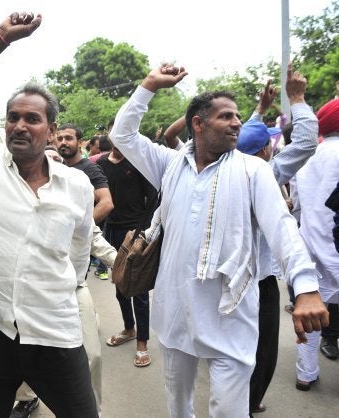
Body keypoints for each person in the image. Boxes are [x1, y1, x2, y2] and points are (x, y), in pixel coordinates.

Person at [109, 64, 328, 417]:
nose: (237, 122)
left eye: (239, 115)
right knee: (178, 406)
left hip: (230, 317)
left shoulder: (252, 170)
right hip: (176, 313)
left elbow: (282, 227)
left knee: (229, 411)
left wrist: (305, 287)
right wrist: (149, 85)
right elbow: (124, 135)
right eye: (226, 116)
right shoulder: (169, 164)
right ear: (199, 124)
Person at [0, 12, 98, 417]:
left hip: (55, 334)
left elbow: (80, 250)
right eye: (13, 117)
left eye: (32, 118)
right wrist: (0, 39)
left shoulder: (76, 185)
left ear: (51, 129)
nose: (20, 126)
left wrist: (63, 289)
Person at [235, 71, 319, 412]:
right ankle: (249, 405)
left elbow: (246, 138)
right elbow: (305, 143)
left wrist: (259, 109)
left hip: (225, 280)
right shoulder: (266, 172)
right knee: (263, 351)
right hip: (260, 281)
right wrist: (297, 100)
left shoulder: (220, 169)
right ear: (267, 149)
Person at [97, 141, 158, 367]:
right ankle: (129, 328)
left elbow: (153, 198)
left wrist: (144, 230)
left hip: (134, 232)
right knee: (120, 283)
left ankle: (142, 342)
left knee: (138, 288)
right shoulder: (102, 163)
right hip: (111, 230)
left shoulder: (138, 164)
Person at [293, 98, 339, 390]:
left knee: (310, 315)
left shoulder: (308, 155)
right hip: (336, 245)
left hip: (310, 247)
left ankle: (305, 375)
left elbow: (296, 204)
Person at [55, 123, 114, 280]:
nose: (63, 142)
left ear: (80, 142)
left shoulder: (89, 169)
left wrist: (80, 228)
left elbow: (106, 203)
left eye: (68, 138)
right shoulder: (56, 167)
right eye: (59, 138)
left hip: (78, 246)